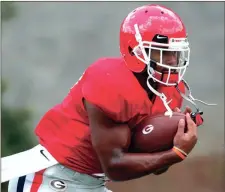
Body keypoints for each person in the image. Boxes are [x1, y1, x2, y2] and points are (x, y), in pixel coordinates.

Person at [3, 4, 214, 192]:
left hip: (93, 183)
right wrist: (175, 153)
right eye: (162, 53)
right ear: (136, 50)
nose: (172, 60)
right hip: (53, 177)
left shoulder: (169, 91)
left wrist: (170, 142)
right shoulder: (109, 81)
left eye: (175, 53)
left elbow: (152, 166)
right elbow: (114, 166)